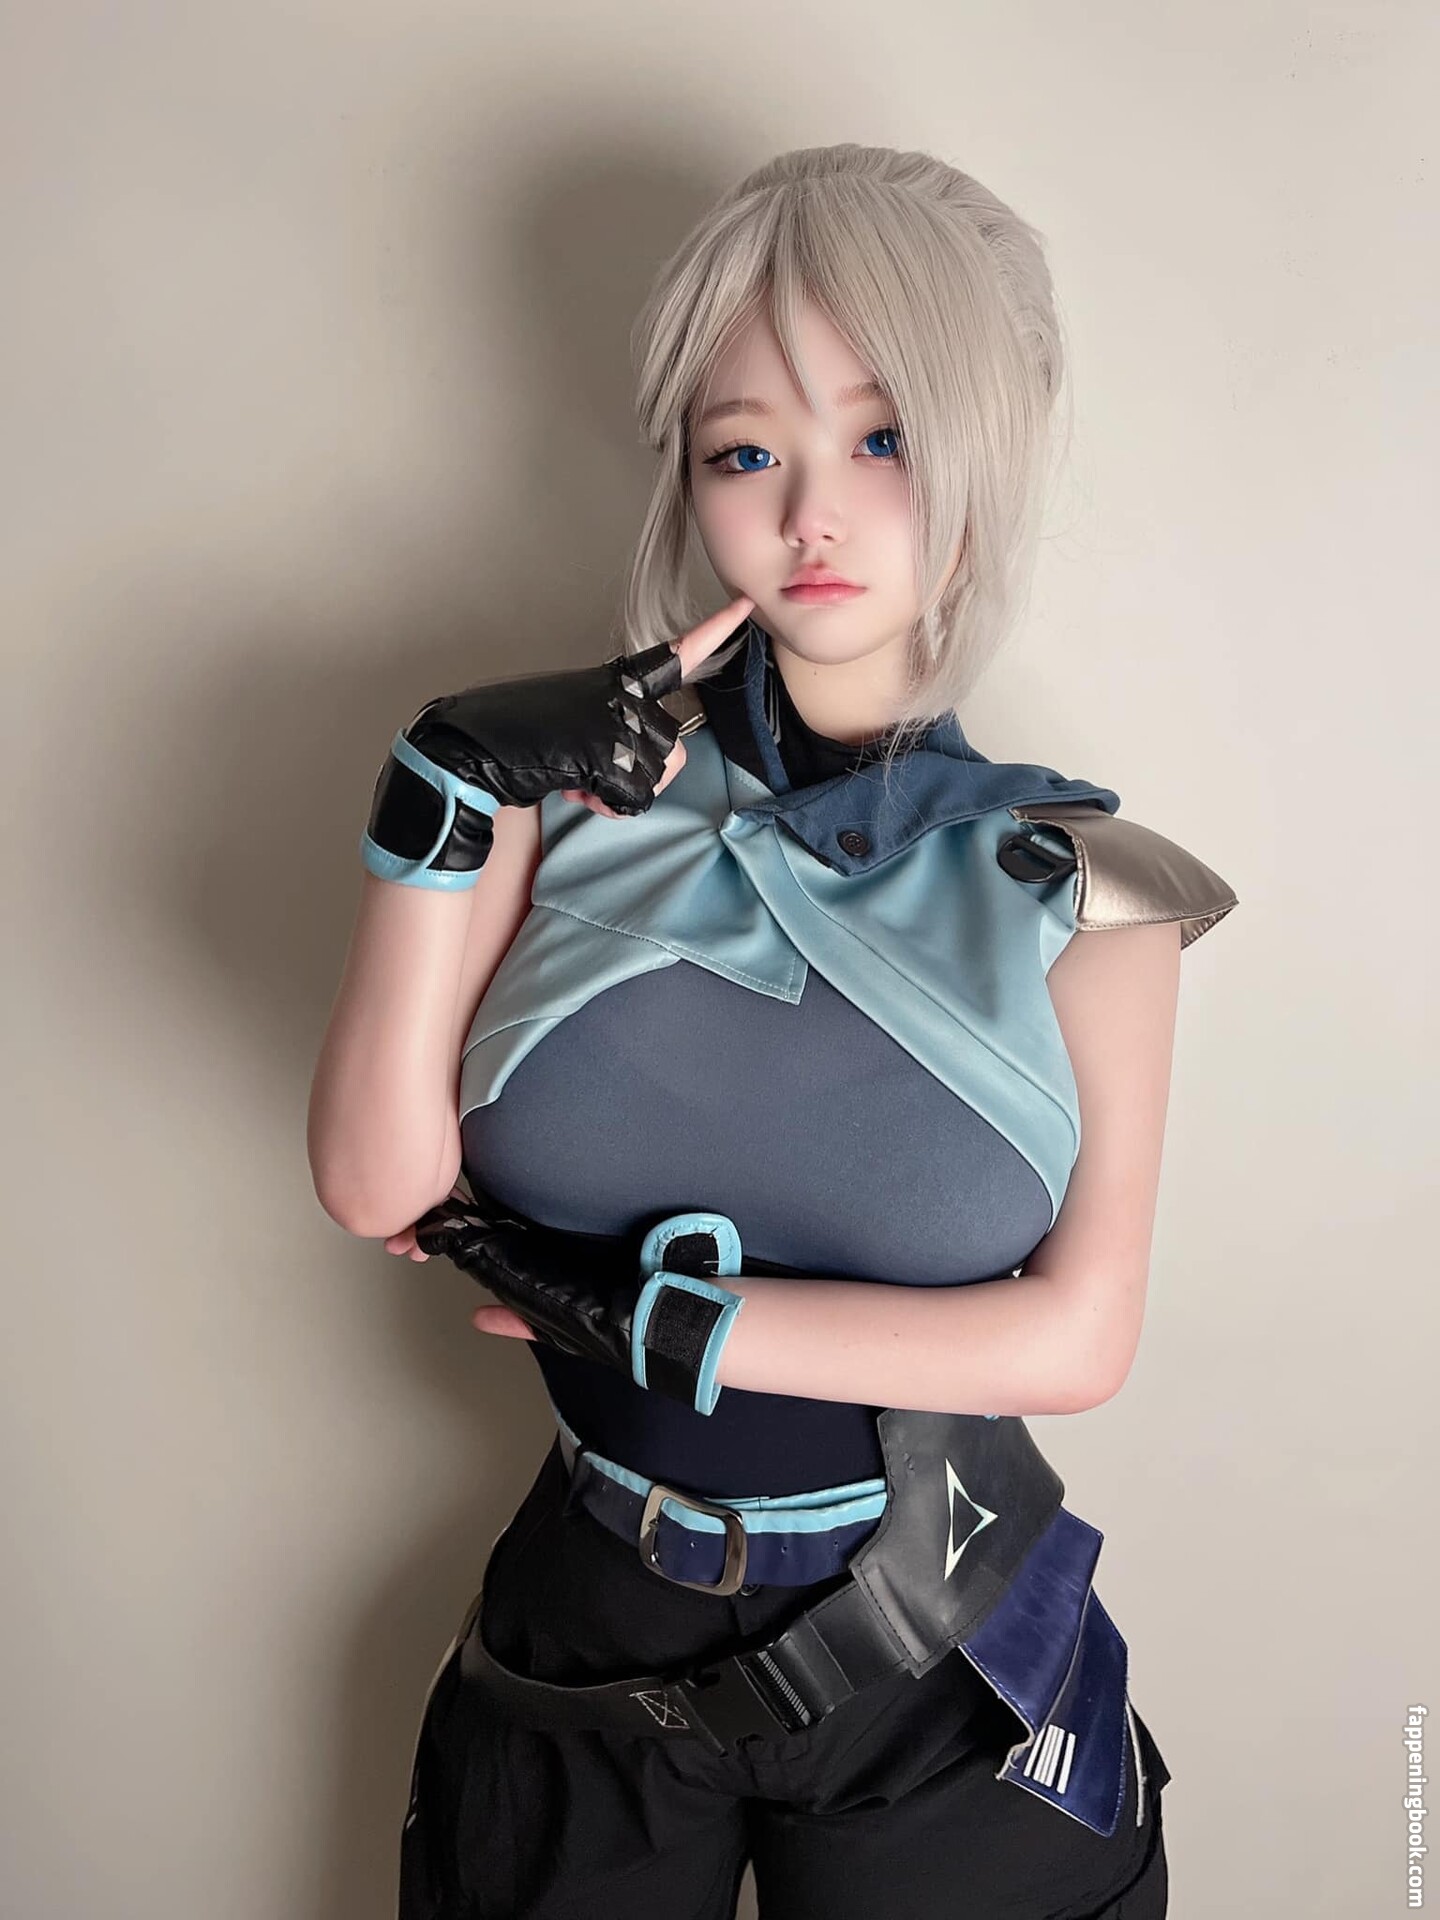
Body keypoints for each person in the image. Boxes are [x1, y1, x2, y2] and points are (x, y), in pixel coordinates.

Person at [309, 142, 1238, 1919]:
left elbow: (1081, 1337)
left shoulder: (1093, 891)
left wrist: (684, 1329)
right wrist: (439, 793)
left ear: (984, 456)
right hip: (586, 1636)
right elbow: (375, 1182)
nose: (814, 513)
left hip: (940, 1656)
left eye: (883, 441)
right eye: (749, 451)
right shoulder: (551, 804)